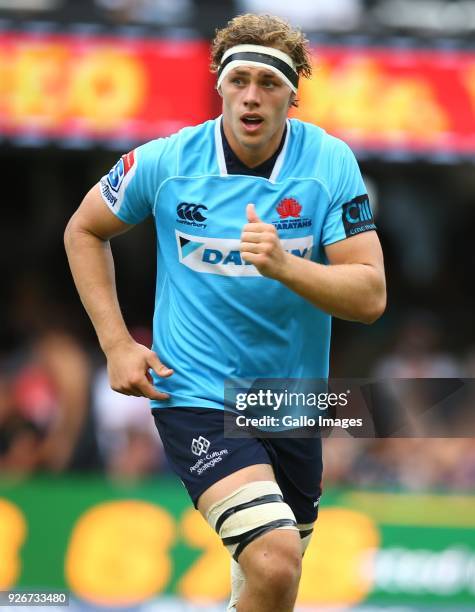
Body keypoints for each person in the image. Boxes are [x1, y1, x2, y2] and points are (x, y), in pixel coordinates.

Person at [64, 13, 386, 612]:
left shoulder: (329, 164)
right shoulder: (168, 163)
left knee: (273, 584)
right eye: (239, 80)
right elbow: (84, 228)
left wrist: (287, 266)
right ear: (219, 85)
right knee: (274, 556)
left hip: (290, 402)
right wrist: (115, 343)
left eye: (269, 83)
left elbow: (370, 296)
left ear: (293, 94)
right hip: (198, 395)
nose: (252, 96)